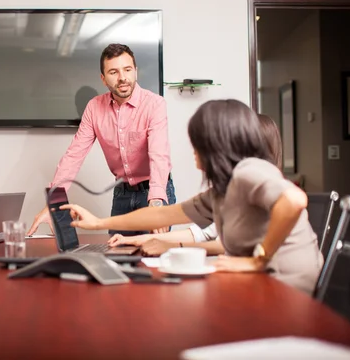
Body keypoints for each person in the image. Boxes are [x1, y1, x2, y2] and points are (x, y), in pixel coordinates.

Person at [61, 100, 322, 295]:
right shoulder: (224, 188)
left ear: (214, 144)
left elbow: (294, 200)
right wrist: (97, 223)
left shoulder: (249, 170)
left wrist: (259, 259)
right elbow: (162, 214)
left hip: (287, 290)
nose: (193, 151)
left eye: (196, 142)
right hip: (266, 284)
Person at [28, 43, 175, 237]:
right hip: (122, 194)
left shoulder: (155, 104)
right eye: (113, 72)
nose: (122, 78)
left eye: (127, 70)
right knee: (117, 257)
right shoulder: (94, 108)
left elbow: (158, 155)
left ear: (136, 71)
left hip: (155, 192)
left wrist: (156, 202)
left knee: (154, 258)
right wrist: (54, 203)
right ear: (103, 79)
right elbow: (74, 155)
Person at [108, 114, 283, 257]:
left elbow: (228, 246)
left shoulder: (266, 186)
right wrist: (135, 240)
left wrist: (173, 247)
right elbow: (200, 233)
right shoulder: (230, 190)